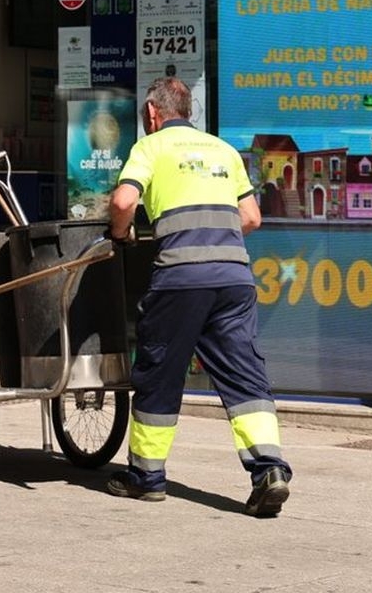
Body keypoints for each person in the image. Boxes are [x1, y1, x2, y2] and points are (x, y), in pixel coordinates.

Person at [105, 77, 293, 517]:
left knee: (159, 373)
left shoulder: (150, 149)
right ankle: (270, 470)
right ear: (190, 111)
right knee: (245, 376)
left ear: (153, 113)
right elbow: (251, 217)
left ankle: (146, 477)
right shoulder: (222, 150)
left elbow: (121, 201)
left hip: (180, 280)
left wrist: (122, 233)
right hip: (233, 278)